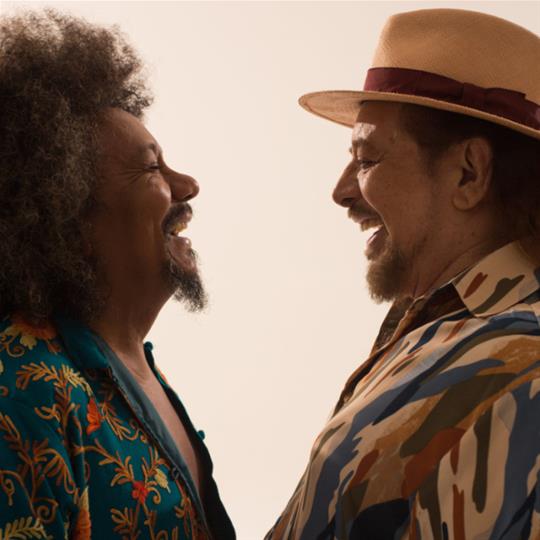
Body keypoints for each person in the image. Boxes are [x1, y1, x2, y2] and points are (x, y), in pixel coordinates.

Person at [267, 8, 540, 539]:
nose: (341, 191)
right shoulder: (436, 328)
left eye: (367, 159)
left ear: (468, 173)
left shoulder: (523, 366)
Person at [0, 10, 235, 540]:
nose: (187, 185)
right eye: (152, 168)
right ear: (64, 214)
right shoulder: (22, 391)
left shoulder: (132, 369)